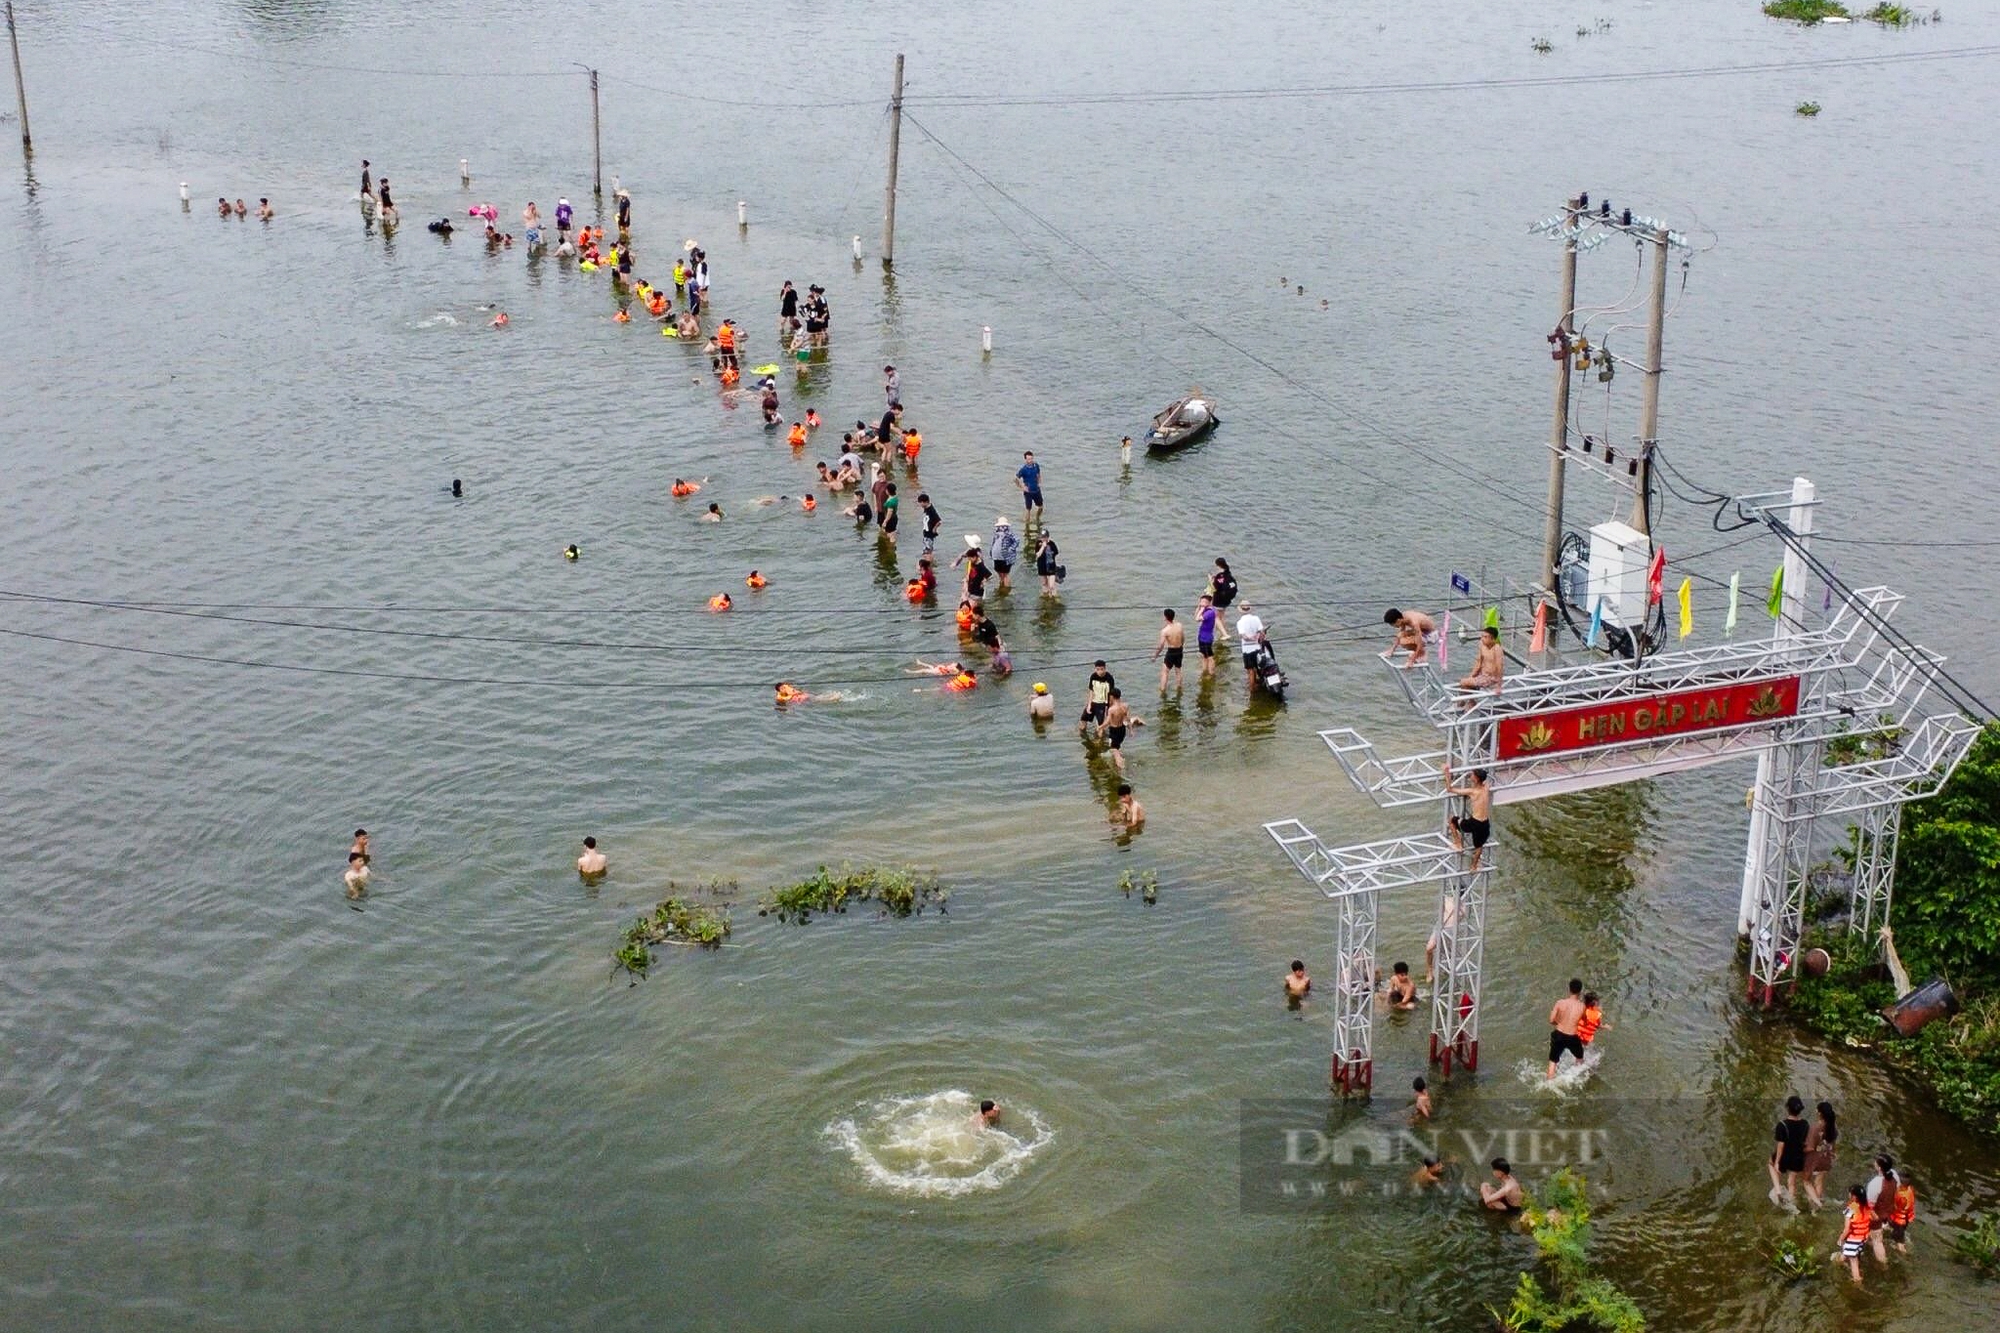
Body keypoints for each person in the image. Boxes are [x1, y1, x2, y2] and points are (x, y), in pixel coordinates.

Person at [1442, 765, 1493, 871]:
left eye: (1472, 775)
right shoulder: (1486, 788)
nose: (1471, 776)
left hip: (1475, 823)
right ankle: (1473, 866)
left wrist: (1446, 773)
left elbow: (1449, 789)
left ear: (1477, 779)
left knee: (1452, 820)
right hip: (1485, 823)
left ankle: (1458, 844)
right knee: (1479, 847)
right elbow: (1485, 782)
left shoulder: (1472, 792)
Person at [1769, 1095, 1810, 1210]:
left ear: (1787, 1108)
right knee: (1791, 1181)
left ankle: (1778, 1190)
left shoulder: (1782, 1125)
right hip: (1798, 1157)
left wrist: (1777, 1161)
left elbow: (1781, 1145)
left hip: (1786, 1156)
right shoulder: (1805, 1124)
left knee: (1770, 1164)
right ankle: (1792, 1203)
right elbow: (1806, 1141)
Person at [1833, 1184, 1874, 1283]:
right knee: (1849, 1253)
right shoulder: (1867, 1205)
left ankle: (1858, 1281)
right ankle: (1838, 1262)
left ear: (1854, 1196)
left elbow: (1846, 1229)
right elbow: (1875, 1217)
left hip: (1854, 1238)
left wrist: (1840, 1238)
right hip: (1863, 1237)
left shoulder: (1851, 1208)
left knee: (1853, 1262)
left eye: (1849, 1193)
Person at [1547, 978, 1586, 1080]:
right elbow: (1585, 1024)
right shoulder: (1582, 1007)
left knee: (1553, 1061)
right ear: (1580, 991)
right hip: (1572, 1037)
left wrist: (1559, 1023)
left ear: (1569, 989)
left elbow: (1551, 1020)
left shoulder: (1560, 1003)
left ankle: (1549, 1082)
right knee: (1579, 1058)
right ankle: (1577, 1078)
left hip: (1558, 1034)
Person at [1802, 1101, 1839, 1209]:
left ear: (1820, 1113)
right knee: (1819, 1182)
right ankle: (1814, 1205)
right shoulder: (1833, 1129)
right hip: (1826, 1158)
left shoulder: (1815, 1128)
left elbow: (1810, 1148)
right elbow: (1833, 1146)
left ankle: (1817, 1203)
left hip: (1815, 1159)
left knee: (1806, 1181)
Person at [1099, 688, 1143, 773]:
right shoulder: (1125, 706)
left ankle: (1121, 768)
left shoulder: (1111, 709)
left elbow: (1108, 721)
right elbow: (1128, 719)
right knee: (1117, 748)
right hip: (1122, 730)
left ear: (1112, 697)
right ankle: (1119, 761)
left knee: (1114, 750)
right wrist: (1131, 730)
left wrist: (1100, 727)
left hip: (1114, 731)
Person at [1461, 624, 1505, 693]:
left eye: (1485, 637)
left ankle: (1469, 702)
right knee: (1466, 684)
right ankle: (1470, 702)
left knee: (1463, 682)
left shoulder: (1497, 648)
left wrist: (1499, 686)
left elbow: (1499, 667)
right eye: (1482, 636)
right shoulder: (1482, 645)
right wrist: (1472, 676)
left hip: (1491, 678)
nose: (1482, 639)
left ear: (1492, 639)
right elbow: (1478, 663)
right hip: (1482, 676)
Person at [1235, 603, 1267, 689]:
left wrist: (1250, 638)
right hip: (1257, 648)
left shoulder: (1240, 622)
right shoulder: (1256, 618)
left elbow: (1243, 636)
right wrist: (1258, 639)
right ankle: (1256, 682)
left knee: (1250, 670)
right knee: (1256, 666)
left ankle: (1252, 688)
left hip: (1247, 649)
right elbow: (1262, 633)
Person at [1206, 559, 1239, 640]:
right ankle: (1222, 632)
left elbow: (1214, 588)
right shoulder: (1228, 574)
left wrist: (1210, 579)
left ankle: (1225, 634)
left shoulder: (1219, 576)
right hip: (1227, 600)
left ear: (1218, 565)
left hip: (1218, 600)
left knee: (1215, 617)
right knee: (1221, 616)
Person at [1154, 608, 1186, 691]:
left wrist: (1155, 656)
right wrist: (1181, 646)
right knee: (1178, 670)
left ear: (1165, 617)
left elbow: (1161, 646)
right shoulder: (1180, 625)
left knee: (1165, 672)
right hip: (1180, 650)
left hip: (1171, 652)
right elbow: (1183, 638)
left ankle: (1162, 690)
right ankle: (1179, 688)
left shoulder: (1165, 631)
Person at [1080, 661, 1116, 733]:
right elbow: (1091, 691)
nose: (1100, 671)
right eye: (1098, 669)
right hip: (1093, 701)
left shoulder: (1109, 678)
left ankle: (1100, 741)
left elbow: (1111, 695)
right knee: (1083, 719)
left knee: (1100, 725)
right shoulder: (1093, 676)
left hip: (1103, 704)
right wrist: (1089, 704)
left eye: (1102, 669)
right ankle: (1082, 735)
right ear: (1095, 669)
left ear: (1105, 669)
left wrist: (1108, 707)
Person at [1885, 1171, 1917, 1254]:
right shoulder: (1911, 1189)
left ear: (1901, 1184)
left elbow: (1893, 1206)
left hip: (1899, 1221)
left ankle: (1904, 1255)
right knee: (1897, 1232)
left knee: (1899, 1242)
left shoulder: (1900, 1195)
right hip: (1906, 1219)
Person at [990, 518, 1020, 591]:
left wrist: (1011, 549)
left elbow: (1017, 540)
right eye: (1000, 526)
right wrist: (991, 552)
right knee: (998, 571)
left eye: (1003, 526)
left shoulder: (1009, 533)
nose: (1001, 528)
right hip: (996, 556)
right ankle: (1002, 584)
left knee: (1006, 573)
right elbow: (993, 543)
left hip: (1005, 557)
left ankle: (1006, 589)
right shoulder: (996, 534)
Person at [1195, 594, 1220, 678]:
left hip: (1206, 638)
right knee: (1204, 655)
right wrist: (1200, 607)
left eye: (1204, 602)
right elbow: (1195, 616)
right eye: (1201, 601)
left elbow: (1197, 619)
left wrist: (1201, 609)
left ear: (1209, 603)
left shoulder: (1210, 612)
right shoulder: (1205, 609)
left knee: (1210, 656)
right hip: (1201, 636)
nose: (1202, 603)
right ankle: (1204, 670)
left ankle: (1211, 673)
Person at [1016, 450, 1044, 518]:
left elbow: (1038, 473)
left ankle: (1037, 518)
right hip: (1028, 492)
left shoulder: (1036, 465)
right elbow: (1015, 479)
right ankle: (1027, 525)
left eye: (1031, 458)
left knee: (1041, 506)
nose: (1030, 460)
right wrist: (1022, 487)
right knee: (1028, 509)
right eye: (1028, 459)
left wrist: (1039, 481)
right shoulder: (1023, 469)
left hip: (1036, 490)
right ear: (1025, 459)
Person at [1035, 530, 1062, 596]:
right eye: (1041, 537)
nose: (1042, 539)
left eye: (1044, 537)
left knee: (1051, 586)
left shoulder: (1052, 544)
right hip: (1042, 566)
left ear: (1047, 537)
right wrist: (1043, 547)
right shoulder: (1038, 544)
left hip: (1051, 567)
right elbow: (1038, 555)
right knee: (1044, 584)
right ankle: (1046, 597)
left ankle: (1054, 597)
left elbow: (1055, 554)